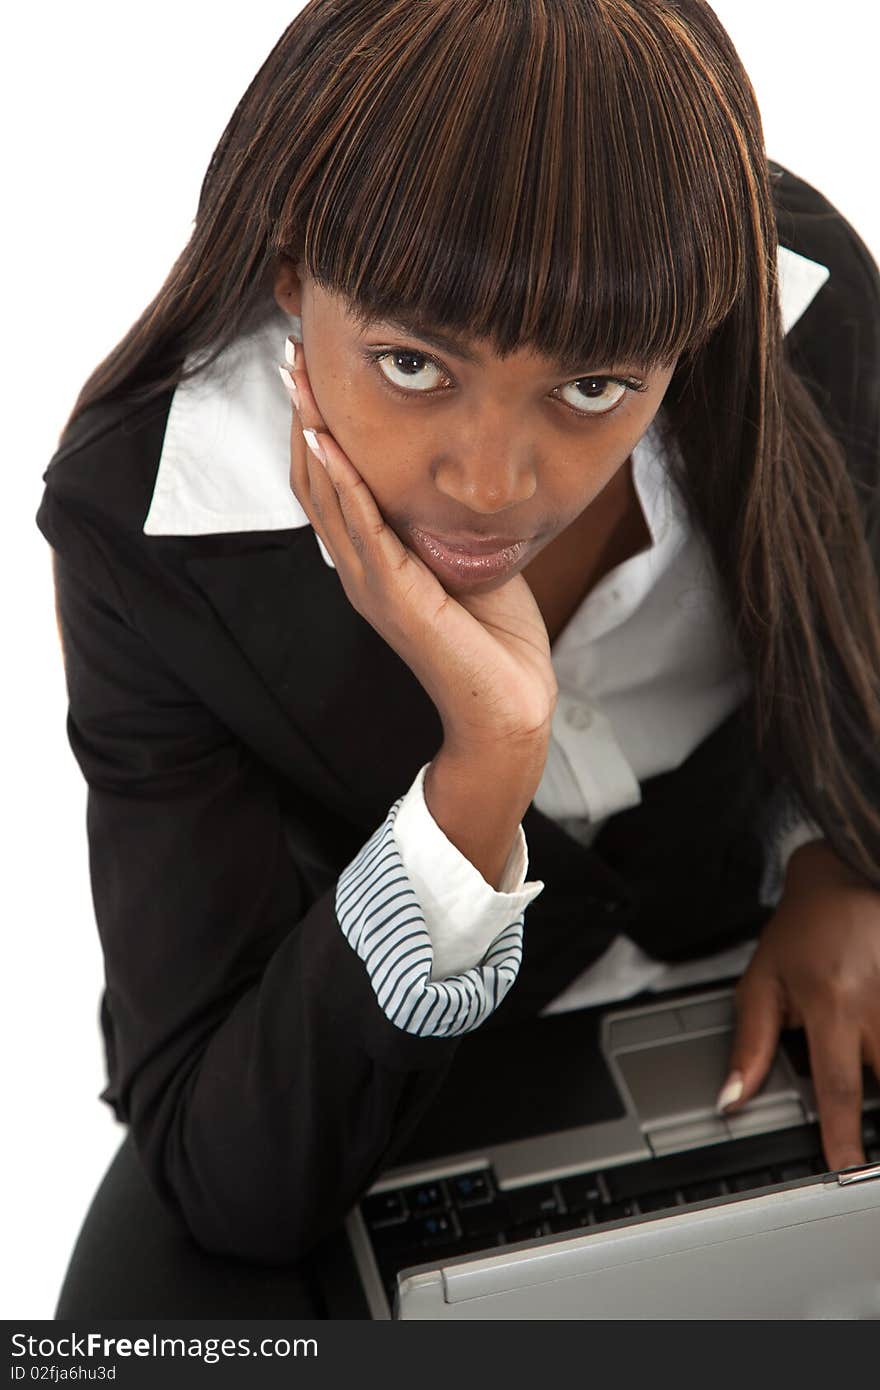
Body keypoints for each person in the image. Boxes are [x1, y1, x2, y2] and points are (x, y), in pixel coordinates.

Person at [37, 0, 880, 1317]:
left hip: (766, 994)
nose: (492, 481)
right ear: (285, 264)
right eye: (413, 362)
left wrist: (845, 857)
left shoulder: (799, 311)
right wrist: (480, 775)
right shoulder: (152, 537)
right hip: (384, 1075)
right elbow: (230, 1165)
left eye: (594, 386)